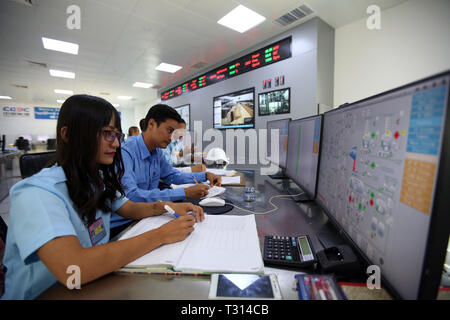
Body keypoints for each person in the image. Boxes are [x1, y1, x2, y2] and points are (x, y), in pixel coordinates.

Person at [1, 95, 204, 300]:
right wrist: (161, 235)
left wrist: (167, 207)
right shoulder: (36, 193)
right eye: (107, 134)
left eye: (117, 135)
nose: (116, 144)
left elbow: (130, 207)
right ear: (68, 134)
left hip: (92, 284)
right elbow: (74, 268)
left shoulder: (95, 179)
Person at [111, 104, 221, 231]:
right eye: (170, 131)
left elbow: (173, 175)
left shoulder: (156, 152)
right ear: (151, 124)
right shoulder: (126, 152)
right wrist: (184, 192)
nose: (172, 138)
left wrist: (205, 175)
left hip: (146, 217)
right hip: (123, 225)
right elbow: (132, 196)